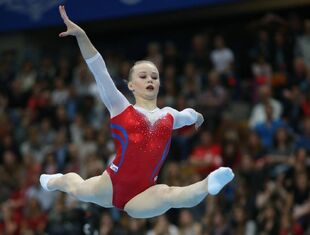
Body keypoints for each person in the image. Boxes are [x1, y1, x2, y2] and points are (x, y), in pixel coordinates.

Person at [39, 5, 234, 219]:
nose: (150, 79)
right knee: (76, 187)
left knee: (168, 194)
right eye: (143, 76)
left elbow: (186, 114)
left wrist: (197, 116)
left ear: (159, 84)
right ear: (131, 85)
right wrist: (82, 35)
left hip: (144, 194)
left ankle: (208, 184)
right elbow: (99, 71)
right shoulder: (120, 107)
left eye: (154, 76)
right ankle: (55, 180)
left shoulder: (168, 115)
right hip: (111, 186)